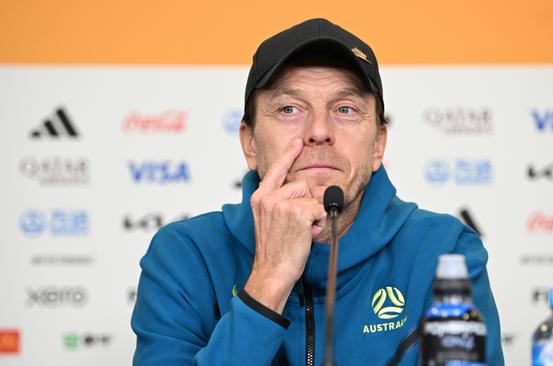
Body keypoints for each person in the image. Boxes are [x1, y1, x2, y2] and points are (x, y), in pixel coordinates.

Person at [131, 18, 504, 365]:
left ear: (378, 144)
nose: (320, 130)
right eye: (290, 108)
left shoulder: (445, 252)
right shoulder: (183, 256)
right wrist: (268, 281)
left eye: (344, 109)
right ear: (250, 144)